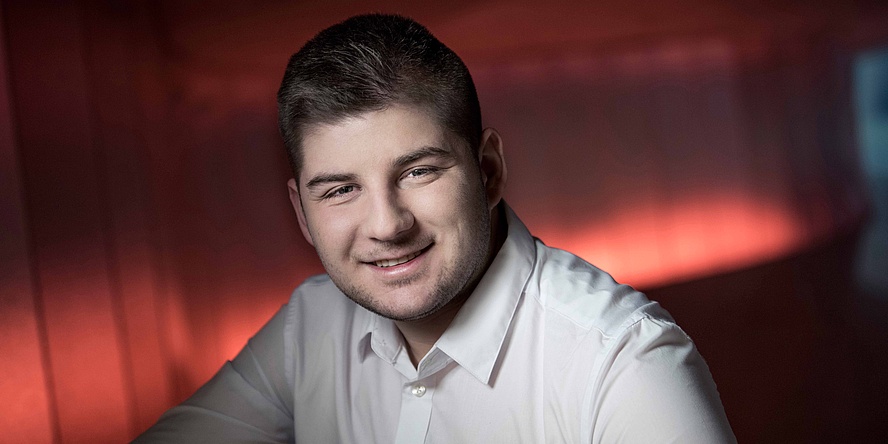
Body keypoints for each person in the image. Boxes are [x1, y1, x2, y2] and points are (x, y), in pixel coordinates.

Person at [135, 14, 735, 443]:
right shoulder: (310, 326)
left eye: (419, 171)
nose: (387, 225)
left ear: (489, 171)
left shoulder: (627, 368)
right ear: (303, 215)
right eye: (341, 190)